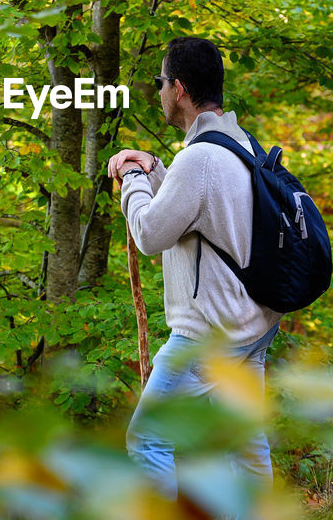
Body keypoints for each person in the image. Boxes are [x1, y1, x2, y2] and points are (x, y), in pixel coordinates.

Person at [108, 35, 283, 506]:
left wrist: (132, 178)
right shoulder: (237, 142)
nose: (159, 91)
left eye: (161, 83)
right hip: (253, 324)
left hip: (208, 333)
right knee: (244, 443)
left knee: (148, 440)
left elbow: (149, 233)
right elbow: (203, 213)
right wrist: (156, 167)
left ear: (179, 88)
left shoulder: (200, 158)